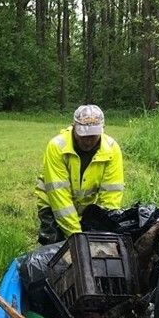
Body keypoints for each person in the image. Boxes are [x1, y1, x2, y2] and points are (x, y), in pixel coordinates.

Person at [35, 104, 124, 245]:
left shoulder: (112, 149)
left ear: (102, 130)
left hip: (86, 206)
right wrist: (77, 237)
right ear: (73, 127)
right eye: (84, 135)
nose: (88, 140)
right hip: (53, 203)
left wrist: (105, 230)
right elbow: (60, 198)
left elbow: (111, 197)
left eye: (93, 135)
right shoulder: (57, 146)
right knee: (55, 246)